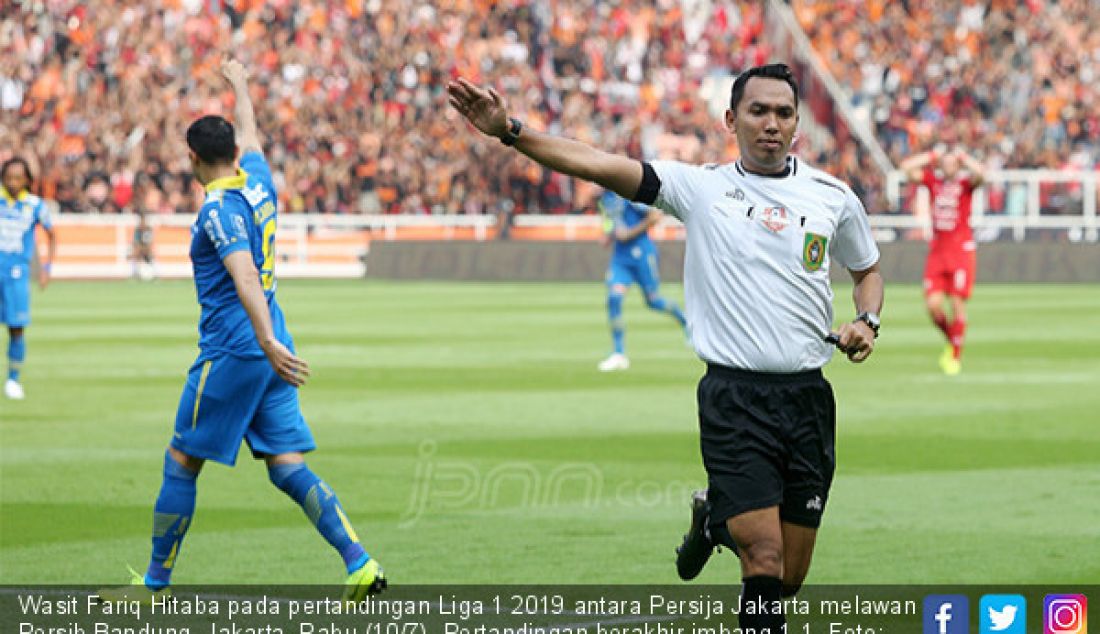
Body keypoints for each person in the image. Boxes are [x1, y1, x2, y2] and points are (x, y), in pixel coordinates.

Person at [449, 63, 882, 631]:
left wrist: (867, 321)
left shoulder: (832, 197)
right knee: (765, 561)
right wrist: (511, 131)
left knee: (790, 575)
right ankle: (733, 526)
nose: (771, 123)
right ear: (732, 119)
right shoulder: (701, 188)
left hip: (808, 402)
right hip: (735, 399)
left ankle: (714, 522)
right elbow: (597, 164)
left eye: (783, 112)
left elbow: (867, 268)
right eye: (758, 111)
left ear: (798, 123)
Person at [99, 58, 385, 602]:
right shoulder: (257, 181)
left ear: (191, 159)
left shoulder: (218, 209)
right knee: (285, 465)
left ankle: (155, 585)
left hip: (239, 347)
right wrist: (241, 87)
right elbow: (253, 137)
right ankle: (360, 563)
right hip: (273, 341)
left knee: (181, 460)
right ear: (231, 152)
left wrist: (264, 341)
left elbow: (244, 273)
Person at [899, 148, 984, 375]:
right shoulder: (933, 181)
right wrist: (931, 156)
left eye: (951, 163)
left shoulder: (965, 185)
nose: (947, 167)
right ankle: (953, 339)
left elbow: (982, 174)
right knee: (933, 306)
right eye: (944, 163)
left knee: (957, 304)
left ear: (957, 165)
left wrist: (965, 157)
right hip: (937, 251)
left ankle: (954, 357)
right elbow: (906, 168)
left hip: (960, 251)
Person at [596, 190, 688, 372]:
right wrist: (609, 235)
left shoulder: (627, 194)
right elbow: (610, 222)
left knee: (653, 301)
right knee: (614, 298)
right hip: (620, 258)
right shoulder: (605, 198)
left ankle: (686, 322)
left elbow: (654, 216)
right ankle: (618, 353)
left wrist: (629, 233)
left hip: (642, 255)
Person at [0, 157, 57, 400]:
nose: (13, 182)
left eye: (18, 177)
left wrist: (46, 267)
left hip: (16, 274)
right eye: (9, 177)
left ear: (26, 180)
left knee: (16, 328)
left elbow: (52, 234)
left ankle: (13, 379)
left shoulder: (35, 205)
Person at [130, 209, 157, 281]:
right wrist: (140, 248)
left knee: (151, 253)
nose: (143, 222)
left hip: (146, 248)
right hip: (140, 248)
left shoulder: (148, 229)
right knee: (135, 252)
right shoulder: (138, 229)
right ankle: (135, 273)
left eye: (144, 220)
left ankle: (155, 274)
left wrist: (146, 249)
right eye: (142, 220)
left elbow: (150, 242)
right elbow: (136, 242)